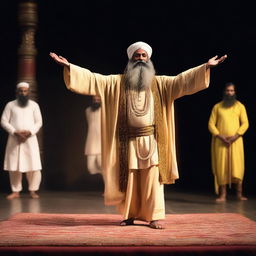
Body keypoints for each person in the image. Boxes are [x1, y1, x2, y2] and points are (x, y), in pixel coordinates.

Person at [50, 41, 227, 229]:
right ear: (131, 59)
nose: (140, 59)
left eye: (144, 56)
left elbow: (182, 80)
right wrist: (69, 67)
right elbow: (94, 79)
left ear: (149, 59)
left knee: (152, 179)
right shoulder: (117, 83)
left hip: (152, 141)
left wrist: (206, 67)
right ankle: (129, 215)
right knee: (130, 181)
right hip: (128, 142)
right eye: (137, 56)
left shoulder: (160, 84)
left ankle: (154, 216)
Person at [1, 82, 43, 199]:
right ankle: (16, 191)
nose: (23, 93)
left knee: (34, 166)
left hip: (30, 139)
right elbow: (4, 121)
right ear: (17, 92)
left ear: (28, 92)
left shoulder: (34, 105)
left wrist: (29, 132)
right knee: (14, 166)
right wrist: (15, 132)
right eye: (21, 91)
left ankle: (33, 190)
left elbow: (39, 122)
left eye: (25, 91)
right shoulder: (10, 105)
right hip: (15, 139)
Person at [208, 82, 249, 202]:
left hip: (236, 142)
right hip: (221, 142)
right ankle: (222, 195)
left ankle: (239, 194)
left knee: (237, 166)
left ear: (234, 92)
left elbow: (245, 123)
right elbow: (211, 124)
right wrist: (220, 136)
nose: (229, 93)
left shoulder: (240, 106)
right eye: (227, 91)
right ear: (224, 92)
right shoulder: (217, 107)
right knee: (222, 167)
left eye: (232, 91)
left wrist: (235, 136)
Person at [85, 95, 102, 174]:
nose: (96, 101)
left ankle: (107, 183)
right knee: (91, 168)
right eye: (94, 99)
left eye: (98, 99)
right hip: (91, 143)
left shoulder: (104, 110)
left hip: (101, 144)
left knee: (102, 166)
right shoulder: (88, 111)